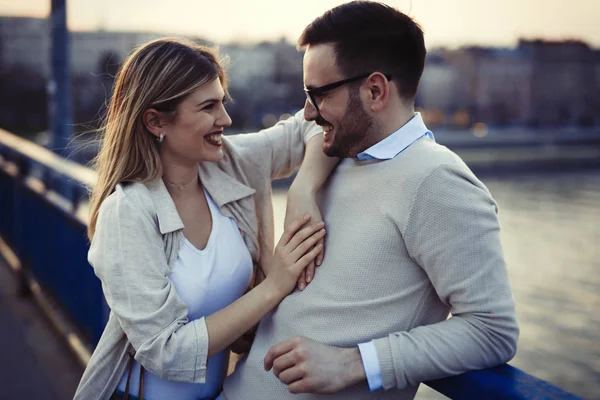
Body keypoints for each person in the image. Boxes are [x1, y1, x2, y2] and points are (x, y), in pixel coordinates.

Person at [221, 2, 519, 399]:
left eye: (318, 94)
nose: (307, 112)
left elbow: (492, 330)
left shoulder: (438, 183)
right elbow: (221, 156)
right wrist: (303, 187)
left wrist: (355, 362)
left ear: (375, 91)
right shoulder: (337, 140)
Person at [73, 37, 338, 400]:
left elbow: (313, 125)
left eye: (222, 103)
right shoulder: (127, 212)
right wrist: (274, 286)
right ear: (155, 121)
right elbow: (165, 352)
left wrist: (303, 191)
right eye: (208, 107)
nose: (225, 120)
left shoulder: (230, 162)